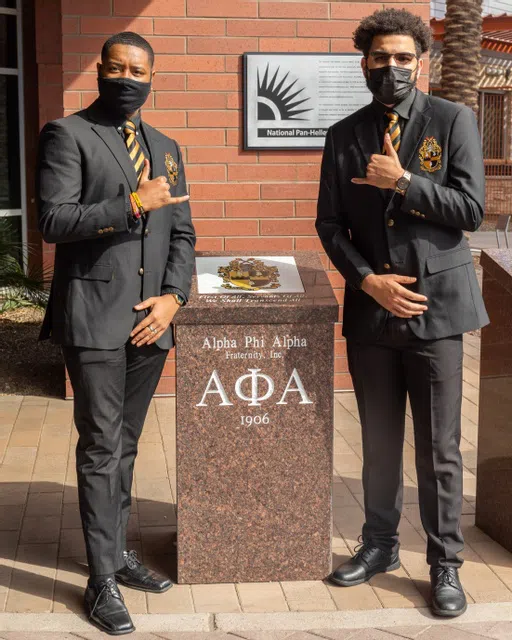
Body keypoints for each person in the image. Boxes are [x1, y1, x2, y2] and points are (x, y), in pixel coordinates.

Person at [316, 9, 488, 618]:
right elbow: (329, 225)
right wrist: (368, 281)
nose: (392, 69)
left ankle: (445, 565)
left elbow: (471, 209)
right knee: (379, 439)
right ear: (364, 62)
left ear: (424, 62)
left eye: (404, 58)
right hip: (373, 314)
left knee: (439, 449)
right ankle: (380, 545)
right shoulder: (344, 134)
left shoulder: (453, 119)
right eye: (380, 58)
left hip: (438, 312)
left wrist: (404, 181)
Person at [37, 32, 196, 635]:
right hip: (95, 320)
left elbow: (182, 232)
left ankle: (117, 554)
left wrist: (174, 298)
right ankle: (101, 577)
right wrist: (132, 201)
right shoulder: (68, 134)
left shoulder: (167, 145)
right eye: (117, 67)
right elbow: (53, 221)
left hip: (150, 321)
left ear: (153, 78)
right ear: (100, 71)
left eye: (139, 70)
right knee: (102, 446)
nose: (128, 77)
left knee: (126, 445)